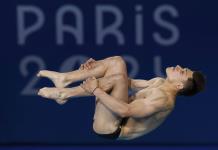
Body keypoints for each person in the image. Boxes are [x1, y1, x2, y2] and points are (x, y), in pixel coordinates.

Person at [37, 56, 206, 140]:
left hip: (112, 127)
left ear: (178, 86)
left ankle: (64, 93)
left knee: (118, 79)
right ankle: (64, 79)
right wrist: (93, 70)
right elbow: (127, 81)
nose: (178, 67)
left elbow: (126, 110)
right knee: (117, 62)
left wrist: (96, 89)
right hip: (114, 110)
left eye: (182, 72)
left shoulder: (163, 100)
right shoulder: (158, 82)